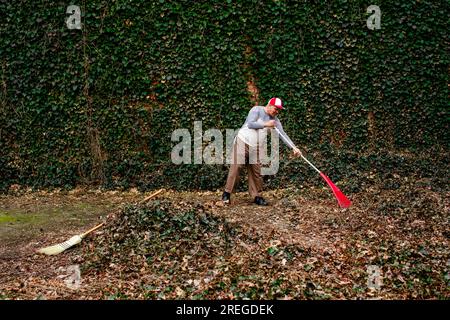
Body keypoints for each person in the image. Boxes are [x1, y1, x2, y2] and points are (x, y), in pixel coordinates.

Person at [222, 97, 302, 205]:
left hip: (256, 146)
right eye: (275, 108)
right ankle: (227, 193)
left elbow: (283, 134)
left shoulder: (275, 121)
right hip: (243, 141)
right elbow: (250, 124)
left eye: (278, 110)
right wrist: (266, 124)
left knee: (257, 172)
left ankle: (256, 196)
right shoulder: (257, 110)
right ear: (269, 105)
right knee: (237, 166)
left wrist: (294, 148)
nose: (276, 111)